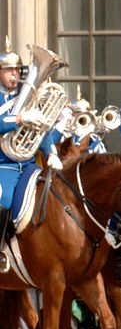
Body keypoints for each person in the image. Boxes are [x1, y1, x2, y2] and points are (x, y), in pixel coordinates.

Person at [0, 38, 63, 274]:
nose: (14, 74)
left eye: (17, 69)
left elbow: (39, 131)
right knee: (3, 202)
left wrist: (52, 153)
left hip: (27, 165)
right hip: (4, 165)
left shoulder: (26, 98)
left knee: (53, 198)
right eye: (8, 70)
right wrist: (19, 119)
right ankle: (2, 251)